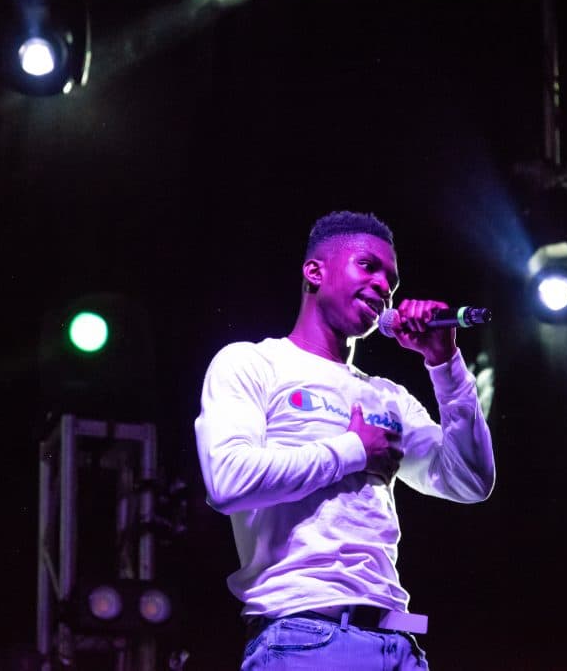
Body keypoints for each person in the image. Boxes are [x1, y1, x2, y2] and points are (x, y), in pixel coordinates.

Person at [195, 211, 495, 669]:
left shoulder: (388, 396)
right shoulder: (253, 364)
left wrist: (445, 365)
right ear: (315, 272)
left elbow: (471, 481)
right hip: (303, 634)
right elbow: (228, 481)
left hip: (397, 642)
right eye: (368, 266)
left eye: (392, 281)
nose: (384, 287)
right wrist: (353, 450)